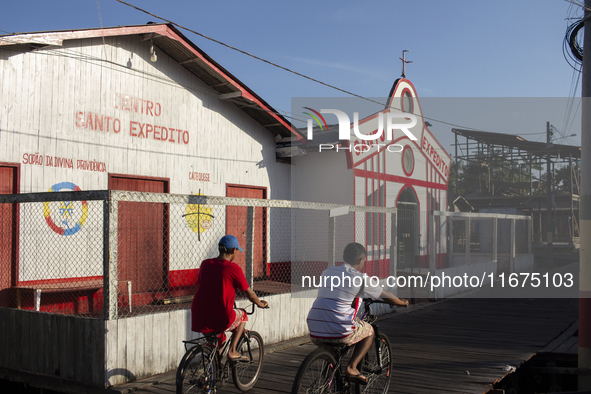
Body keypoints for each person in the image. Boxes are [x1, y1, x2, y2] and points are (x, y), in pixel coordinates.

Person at [306, 242, 409, 384]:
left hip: (315, 328)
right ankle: (352, 367)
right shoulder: (361, 278)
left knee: (331, 353)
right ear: (360, 260)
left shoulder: (328, 271)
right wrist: (402, 302)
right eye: (364, 261)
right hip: (339, 329)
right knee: (370, 331)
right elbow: (385, 295)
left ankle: (326, 385)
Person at [191, 234, 268, 362]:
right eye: (237, 250)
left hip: (199, 315)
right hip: (220, 317)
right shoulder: (233, 268)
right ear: (233, 250)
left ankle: (210, 377)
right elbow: (249, 293)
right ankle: (232, 351)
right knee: (242, 315)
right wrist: (260, 303)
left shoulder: (205, 264)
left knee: (219, 340)